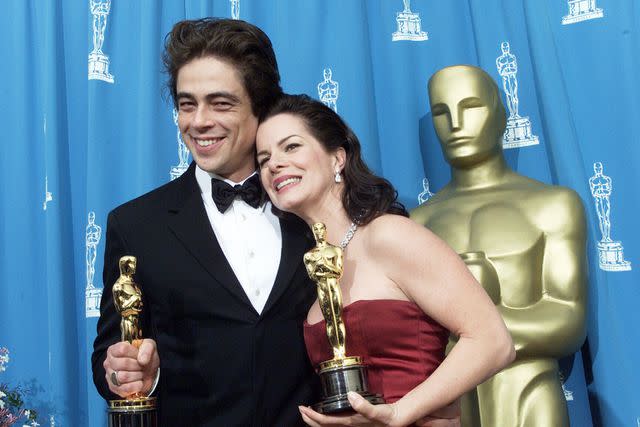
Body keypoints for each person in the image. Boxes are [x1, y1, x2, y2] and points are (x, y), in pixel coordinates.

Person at [92, 18, 319, 426]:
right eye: (186, 103)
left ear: (261, 108)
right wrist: (125, 371)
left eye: (221, 103)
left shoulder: (314, 209)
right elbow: (110, 359)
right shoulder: (136, 225)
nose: (198, 121)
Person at [255, 94, 515, 427]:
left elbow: (492, 340)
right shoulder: (307, 269)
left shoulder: (388, 235)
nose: (274, 163)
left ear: (337, 158)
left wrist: (402, 411)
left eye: (290, 147)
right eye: (263, 159)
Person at [411, 65, 588, 426]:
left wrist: (467, 332)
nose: (456, 124)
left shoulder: (551, 206)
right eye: (442, 113)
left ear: (501, 115)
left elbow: (568, 319)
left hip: (530, 397)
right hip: (446, 408)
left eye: (471, 106)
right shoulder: (417, 223)